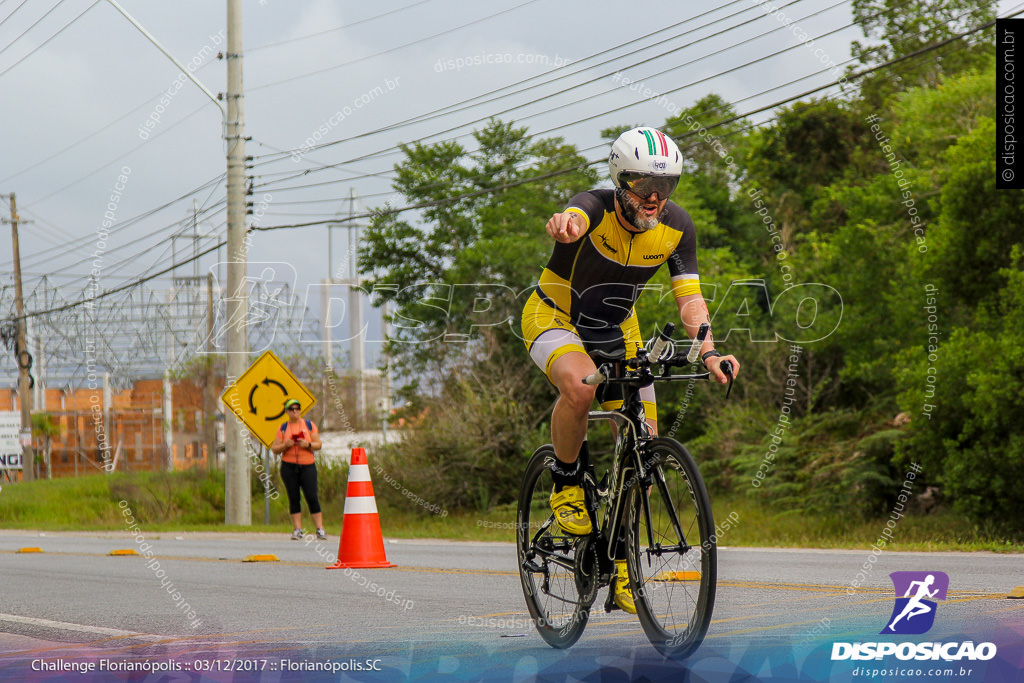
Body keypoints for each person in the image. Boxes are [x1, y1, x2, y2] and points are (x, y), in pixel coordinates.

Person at [520, 127, 741, 614]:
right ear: (620, 181)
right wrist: (565, 226)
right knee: (579, 389)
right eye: (643, 185)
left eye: (667, 186)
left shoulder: (677, 225)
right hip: (555, 317)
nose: (655, 198)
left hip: (619, 328)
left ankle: (622, 571)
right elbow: (574, 215)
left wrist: (709, 352)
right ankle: (565, 485)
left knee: (642, 449)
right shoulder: (593, 208)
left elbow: (690, 299)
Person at [271, 398, 326, 540]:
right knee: (294, 497)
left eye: (297, 409)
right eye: (292, 409)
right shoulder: (283, 428)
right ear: (287, 412)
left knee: (312, 496)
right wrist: (286, 445)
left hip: (307, 465)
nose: (295, 412)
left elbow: (318, 444)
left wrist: (307, 444)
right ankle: (298, 529)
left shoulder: (309, 425)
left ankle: (319, 529)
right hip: (289, 466)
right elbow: (275, 449)